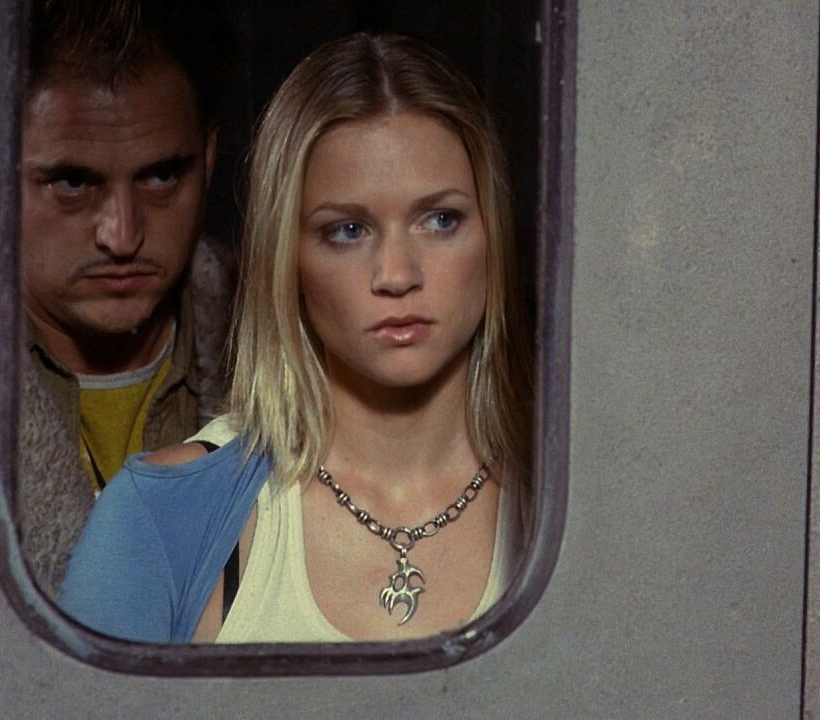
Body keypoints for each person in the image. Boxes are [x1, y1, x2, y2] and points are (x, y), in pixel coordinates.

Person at [59, 32, 531, 644]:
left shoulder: (585, 502)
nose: (397, 275)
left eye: (440, 220)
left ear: (492, 234)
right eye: (348, 230)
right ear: (287, 257)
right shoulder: (163, 518)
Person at [16, 0, 233, 599]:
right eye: (73, 182)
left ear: (208, 158)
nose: (122, 235)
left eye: (161, 176)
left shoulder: (296, 349)